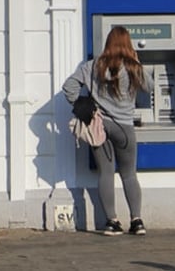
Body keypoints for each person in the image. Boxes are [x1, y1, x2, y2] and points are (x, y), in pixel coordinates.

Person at [63, 25, 154, 236]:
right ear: (128, 44)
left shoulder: (93, 66)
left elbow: (69, 87)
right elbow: (149, 88)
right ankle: (137, 221)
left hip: (99, 125)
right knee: (129, 174)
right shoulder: (133, 67)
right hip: (124, 128)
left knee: (105, 173)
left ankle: (112, 223)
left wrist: (84, 106)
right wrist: (137, 61)